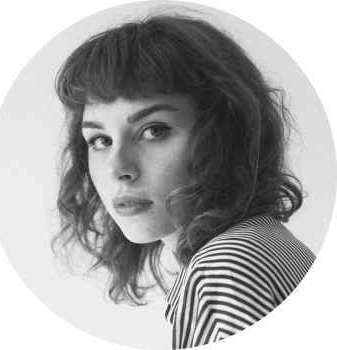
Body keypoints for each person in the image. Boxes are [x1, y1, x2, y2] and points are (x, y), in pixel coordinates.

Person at [52, 11, 315, 349]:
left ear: (224, 133)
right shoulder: (264, 244)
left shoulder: (224, 270)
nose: (118, 169)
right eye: (100, 140)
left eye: (153, 131)